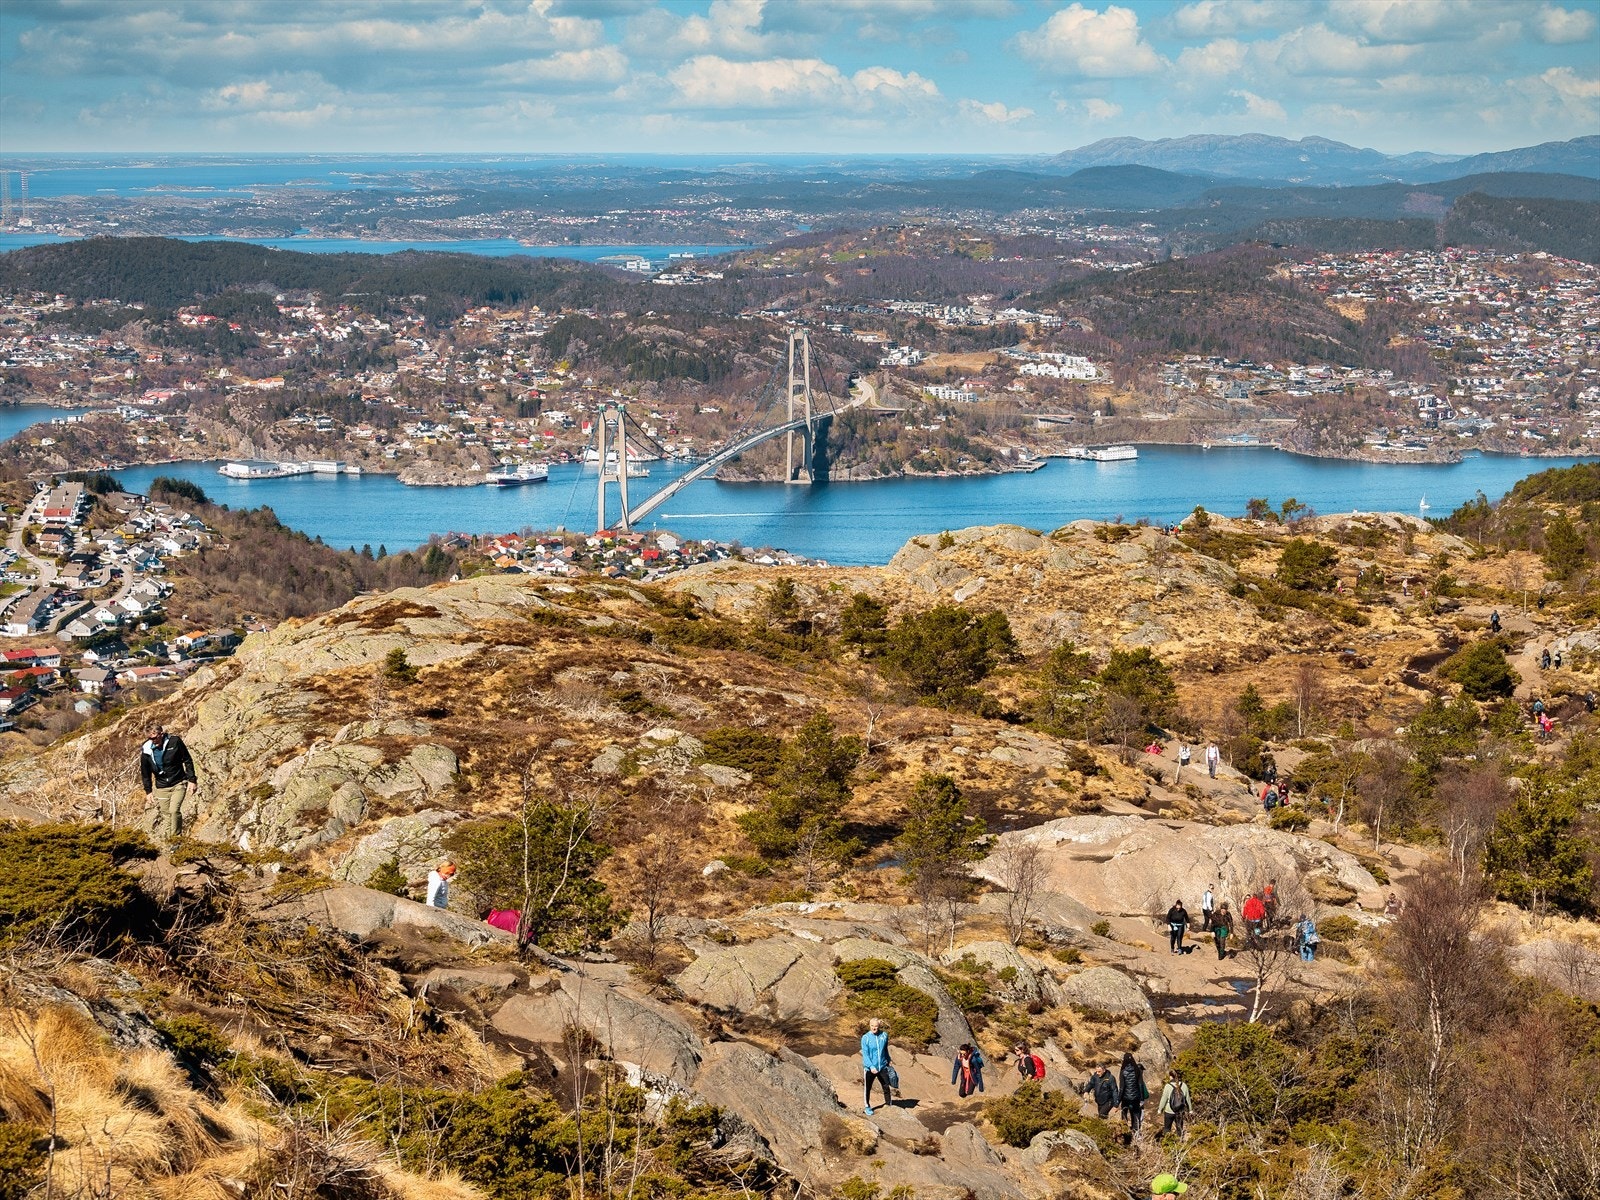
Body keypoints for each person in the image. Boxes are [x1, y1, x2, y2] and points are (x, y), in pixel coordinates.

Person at [140, 724, 199, 842]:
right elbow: (145, 772)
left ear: (161, 734)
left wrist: (192, 780)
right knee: (166, 815)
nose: (153, 741)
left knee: (174, 811)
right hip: (161, 787)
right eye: (149, 738)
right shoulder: (146, 749)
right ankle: (169, 843)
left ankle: (177, 840)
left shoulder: (175, 741)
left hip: (178, 782)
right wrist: (148, 791)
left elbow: (187, 760)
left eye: (155, 738)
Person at [861, 1017, 892, 1115]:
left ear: (879, 1026)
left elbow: (885, 1049)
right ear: (869, 1026)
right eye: (872, 1026)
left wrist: (888, 1059)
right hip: (870, 1068)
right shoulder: (865, 1038)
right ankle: (867, 1107)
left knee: (886, 1085)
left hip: (882, 1066)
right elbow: (865, 1054)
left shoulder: (884, 1035)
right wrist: (871, 1066)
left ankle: (888, 1104)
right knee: (868, 1088)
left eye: (876, 1026)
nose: (874, 1028)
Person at [1118, 1051, 1147, 1135]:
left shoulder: (1123, 1071)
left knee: (1124, 1112)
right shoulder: (1137, 1070)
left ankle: (1124, 1131)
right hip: (1135, 1097)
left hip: (1125, 1098)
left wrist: (1118, 1100)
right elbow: (1140, 1085)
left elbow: (1122, 1087)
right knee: (1135, 1114)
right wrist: (1142, 1099)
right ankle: (1136, 1132)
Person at [1158, 1070, 1192, 1136]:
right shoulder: (1184, 1085)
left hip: (1169, 1111)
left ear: (1171, 1076)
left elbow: (1163, 1099)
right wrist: (1190, 1110)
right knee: (1179, 1128)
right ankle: (1179, 1143)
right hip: (1180, 1111)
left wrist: (1160, 1109)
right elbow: (1187, 1098)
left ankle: (1167, 1143)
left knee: (1167, 1129)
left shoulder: (1168, 1086)